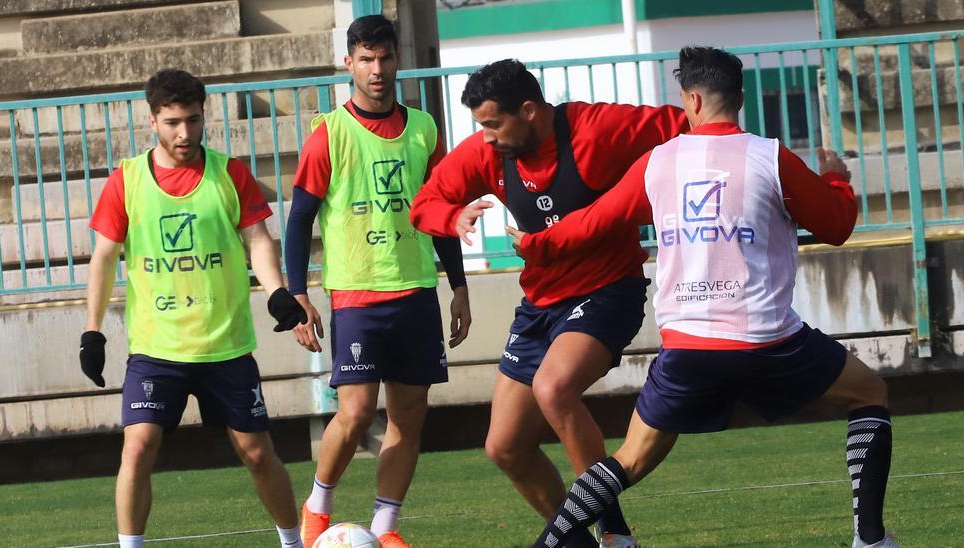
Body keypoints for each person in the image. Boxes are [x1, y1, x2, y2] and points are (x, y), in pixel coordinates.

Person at [515, 46, 897, 548]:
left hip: (687, 346)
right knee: (868, 393)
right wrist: (836, 179)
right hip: (765, 340)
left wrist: (535, 243)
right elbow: (838, 226)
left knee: (629, 459)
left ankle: (549, 544)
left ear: (691, 99)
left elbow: (593, 222)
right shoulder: (770, 156)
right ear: (739, 98)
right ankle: (869, 539)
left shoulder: (659, 162)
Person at [409, 59, 689, 547]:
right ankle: (576, 542)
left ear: (530, 110)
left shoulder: (596, 129)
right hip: (541, 303)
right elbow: (424, 203)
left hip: (608, 289)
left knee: (553, 388)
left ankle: (615, 534)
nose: (487, 137)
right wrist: (451, 216)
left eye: (494, 124)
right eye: (481, 127)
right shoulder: (486, 152)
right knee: (504, 447)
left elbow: (688, 125)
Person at [78, 68, 310, 548]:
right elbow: (102, 257)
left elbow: (257, 241)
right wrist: (92, 330)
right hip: (157, 349)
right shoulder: (127, 179)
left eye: (193, 120)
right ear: (152, 121)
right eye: (172, 123)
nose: (184, 133)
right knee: (138, 447)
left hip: (224, 346)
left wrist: (276, 292)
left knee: (255, 451)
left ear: (204, 116)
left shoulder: (229, 174)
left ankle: (294, 542)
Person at [283, 15, 471, 548]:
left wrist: (457, 285)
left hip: (416, 289)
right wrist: (299, 294)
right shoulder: (330, 133)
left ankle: (385, 530)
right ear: (349, 64)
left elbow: (441, 211)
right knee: (358, 410)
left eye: (385, 58)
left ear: (397, 60)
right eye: (366, 59)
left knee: (409, 415)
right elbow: (299, 219)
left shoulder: (424, 129)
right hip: (357, 292)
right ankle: (318, 506)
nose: (377, 69)